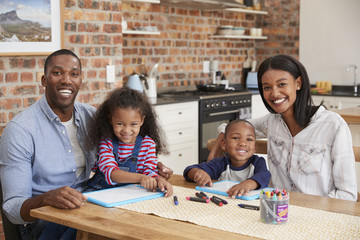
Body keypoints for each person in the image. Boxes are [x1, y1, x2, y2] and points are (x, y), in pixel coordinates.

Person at [0, 49, 173, 240]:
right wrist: (46, 198)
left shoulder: (92, 117)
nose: (66, 80)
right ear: (44, 80)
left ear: (80, 81)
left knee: (149, 228)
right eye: (57, 73)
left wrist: (150, 166)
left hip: (89, 206)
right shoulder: (19, 130)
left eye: (73, 74)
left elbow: (120, 149)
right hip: (45, 221)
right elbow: (12, 209)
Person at [208, 55, 357, 201]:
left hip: (317, 216)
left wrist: (313, 212)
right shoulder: (271, 122)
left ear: (298, 83)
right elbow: (229, 128)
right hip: (275, 211)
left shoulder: (333, 125)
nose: (274, 93)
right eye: (267, 87)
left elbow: (347, 194)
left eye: (282, 84)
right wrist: (213, 155)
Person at [86, 87, 173, 196]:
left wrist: (158, 179)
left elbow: (149, 171)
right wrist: (141, 178)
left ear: (142, 121)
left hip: (130, 193)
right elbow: (112, 173)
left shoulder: (148, 144)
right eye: (120, 124)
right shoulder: (106, 143)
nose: (126, 130)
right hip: (100, 191)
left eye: (133, 124)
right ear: (110, 119)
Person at [183, 119, 271, 198]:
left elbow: (265, 176)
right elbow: (189, 170)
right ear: (224, 144)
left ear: (254, 147)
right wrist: (198, 173)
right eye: (236, 138)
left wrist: (248, 184)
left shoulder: (258, 162)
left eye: (249, 139)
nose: (243, 143)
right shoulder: (219, 164)